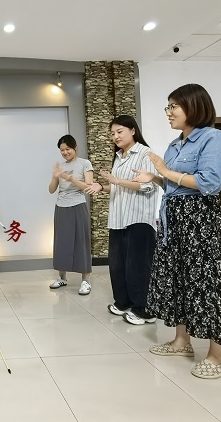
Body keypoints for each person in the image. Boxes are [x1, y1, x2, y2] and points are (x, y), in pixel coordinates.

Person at [133, 84, 221, 379]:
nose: (168, 112)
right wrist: (156, 178)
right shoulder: (175, 144)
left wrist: (164, 171)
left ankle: (219, 356)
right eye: (167, 107)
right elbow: (175, 184)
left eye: (173, 106)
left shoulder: (214, 138)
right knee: (177, 280)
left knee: (208, 284)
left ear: (194, 106)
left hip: (201, 222)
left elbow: (209, 183)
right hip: (174, 220)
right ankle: (181, 341)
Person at [85, 115, 159, 325]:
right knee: (118, 265)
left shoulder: (145, 154)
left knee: (138, 266)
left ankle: (145, 310)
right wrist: (102, 186)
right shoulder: (119, 156)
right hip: (118, 217)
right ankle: (124, 302)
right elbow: (119, 186)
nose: (115, 136)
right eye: (112, 133)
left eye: (119, 132)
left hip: (138, 218)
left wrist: (117, 180)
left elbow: (147, 186)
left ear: (133, 130)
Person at [48, 135, 94, 295]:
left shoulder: (85, 163)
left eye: (68, 149)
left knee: (81, 241)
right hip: (61, 206)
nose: (65, 152)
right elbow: (51, 190)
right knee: (61, 242)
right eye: (62, 150)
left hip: (77, 205)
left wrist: (70, 178)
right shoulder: (60, 166)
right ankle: (62, 277)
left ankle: (86, 280)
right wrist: (55, 177)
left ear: (75, 147)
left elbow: (88, 187)